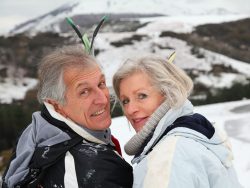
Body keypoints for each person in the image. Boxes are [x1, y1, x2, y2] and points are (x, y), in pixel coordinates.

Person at [2, 44, 133, 188]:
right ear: (56, 105)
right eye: (84, 91)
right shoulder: (99, 168)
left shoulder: (34, 136)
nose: (102, 99)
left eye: (101, 84)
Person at [112, 53, 242, 188]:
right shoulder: (193, 134)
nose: (130, 109)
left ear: (169, 94)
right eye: (125, 101)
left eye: (142, 96)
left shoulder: (168, 157)